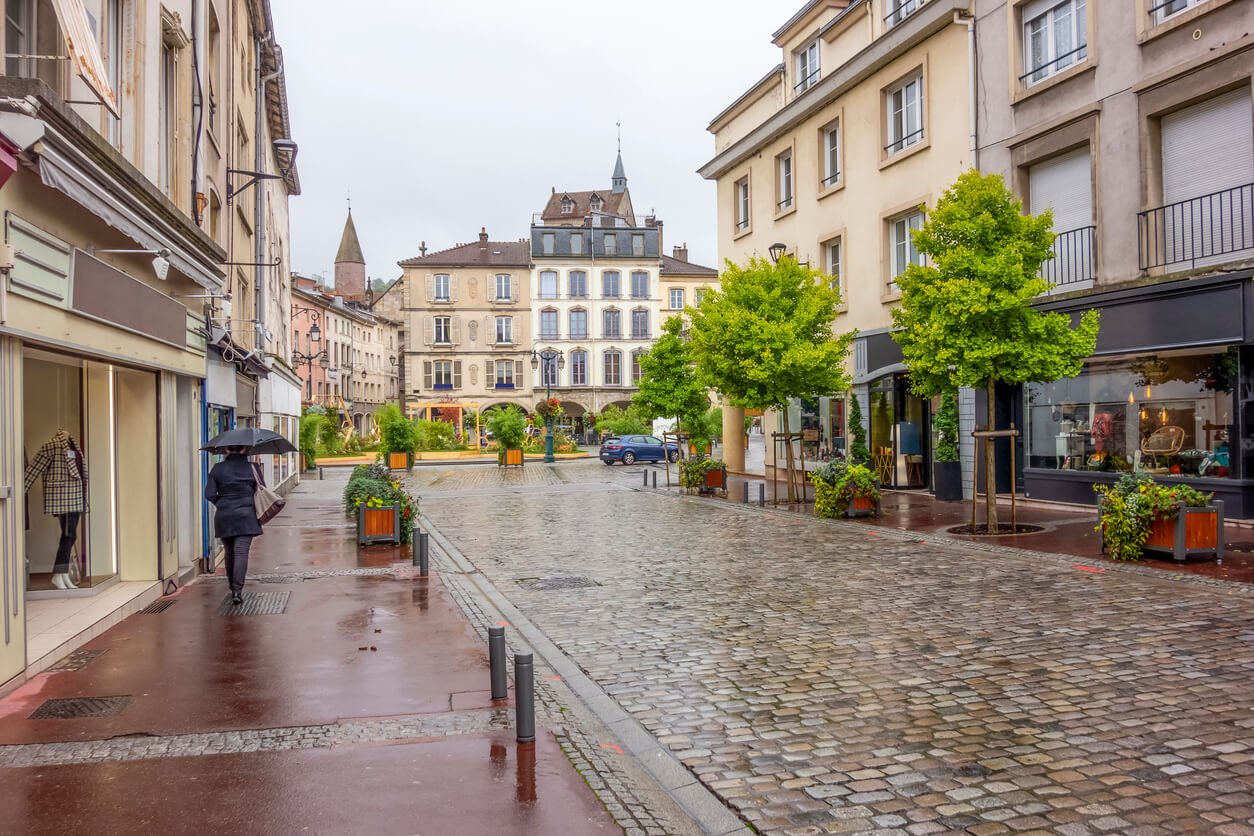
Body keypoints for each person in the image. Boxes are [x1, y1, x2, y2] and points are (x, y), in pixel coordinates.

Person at [204, 446, 263, 604]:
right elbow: (261, 490)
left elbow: (209, 494)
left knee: (229, 552)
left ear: (227, 450)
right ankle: (238, 590)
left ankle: (232, 587)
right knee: (241, 553)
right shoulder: (253, 468)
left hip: (225, 516)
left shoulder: (218, 468)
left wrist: (222, 503)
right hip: (246, 516)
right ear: (244, 450)